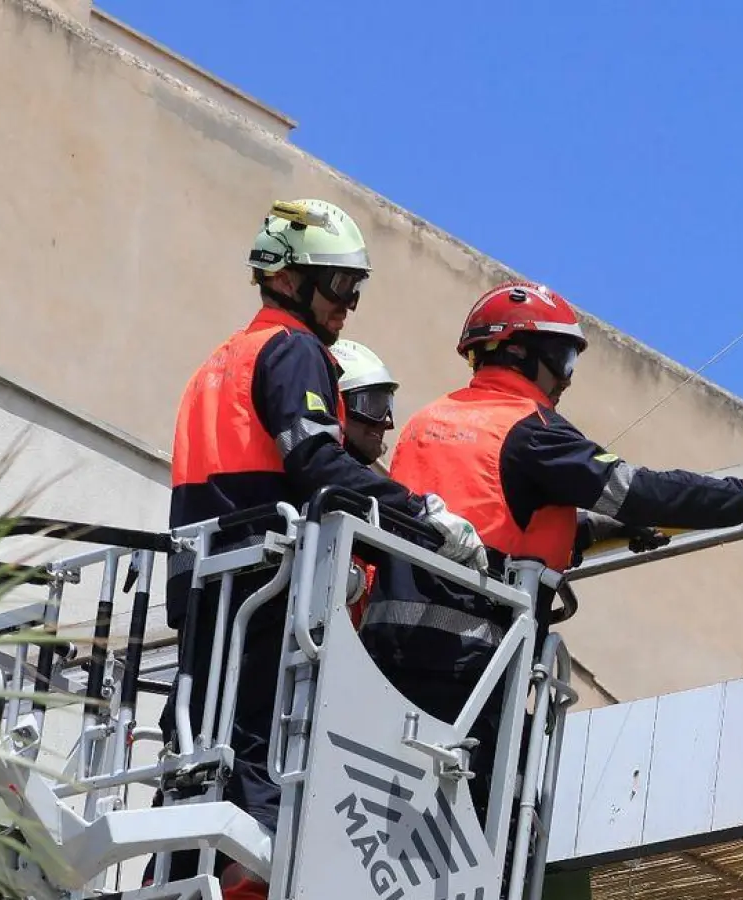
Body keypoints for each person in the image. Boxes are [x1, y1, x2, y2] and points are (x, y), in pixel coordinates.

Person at [358, 280, 743, 826]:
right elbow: (639, 489)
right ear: (521, 352)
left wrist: (586, 530)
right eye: (562, 358)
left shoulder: (427, 422)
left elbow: (486, 520)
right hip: (471, 664)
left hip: (384, 657)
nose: (566, 378)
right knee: (490, 831)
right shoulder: (532, 430)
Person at [155, 199, 485, 898]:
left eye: (354, 289)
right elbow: (318, 466)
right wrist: (425, 518)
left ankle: (183, 876)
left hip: (203, 586)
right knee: (262, 758)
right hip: (264, 583)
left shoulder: (218, 362)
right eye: (340, 286)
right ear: (290, 277)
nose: (349, 304)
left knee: (196, 755)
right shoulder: (294, 351)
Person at [328, 337, 400, 627]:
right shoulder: (310, 489)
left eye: (387, 406)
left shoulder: (373, 502)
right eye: (372, 405)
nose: (385, 422)